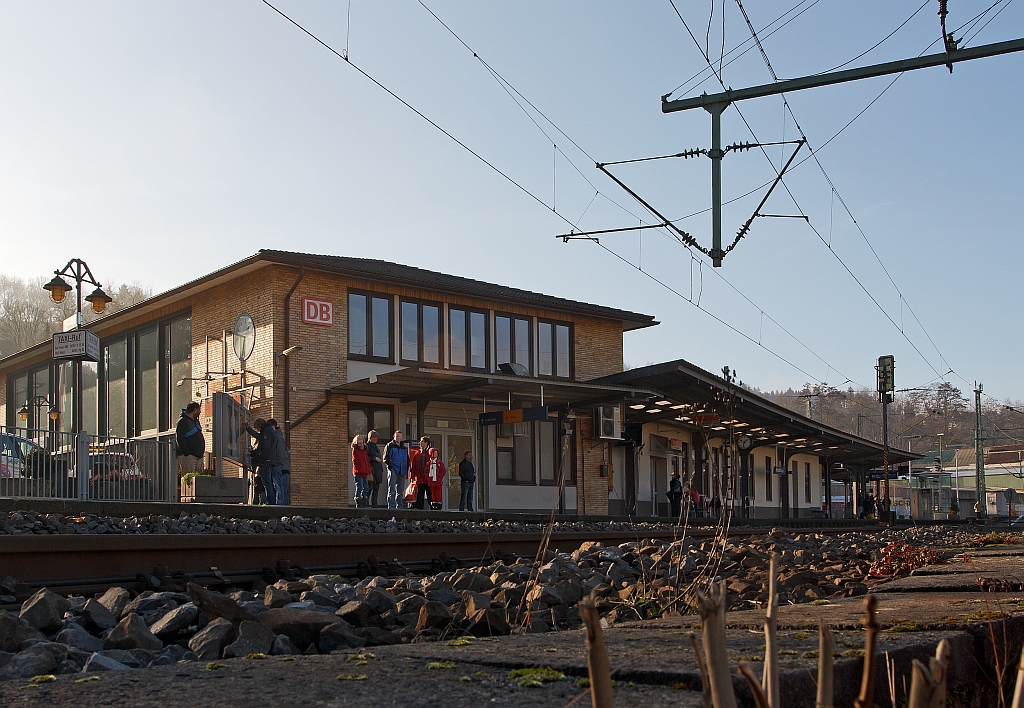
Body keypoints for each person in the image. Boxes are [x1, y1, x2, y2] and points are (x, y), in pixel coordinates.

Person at [246, 417, 278, 505]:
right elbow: (258, 436)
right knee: (268, 483)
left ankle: (270, 502)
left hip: (266, 461)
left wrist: (257, 456)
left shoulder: (266, 432)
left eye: (258, 428)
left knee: (267, 483)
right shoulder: (268, 431)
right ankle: (271, 502)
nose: (258, 430)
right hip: (270, 460)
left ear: (259, 425)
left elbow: (264, 447)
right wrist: (248, 429)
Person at [175, 402, 205, 478]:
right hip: (189, 456)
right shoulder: (183, 421)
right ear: (195, 410)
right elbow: (180, 439)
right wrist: (187, 453)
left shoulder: (195, 421)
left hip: (199, 456)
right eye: (199, 409)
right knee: (189, 478)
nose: (200, 411)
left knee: (199, 478)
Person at [383, 431, 409, 510]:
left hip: (402, 471)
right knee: (392, 490)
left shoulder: (403, 448)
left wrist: (406, 468)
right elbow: (386, 458)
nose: (398, 438)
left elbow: (407, 459)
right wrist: (390, 467)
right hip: (393, 470)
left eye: (400, 436)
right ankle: (391, 506)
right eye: (397, 436)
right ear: (394, 437)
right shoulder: (390, 446)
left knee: (400, 491)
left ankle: (399, 506)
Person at [409, 436, 433, 510]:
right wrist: (412, 477)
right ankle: (420, 511)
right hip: (419, 478)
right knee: (420, 495)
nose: (420, 443)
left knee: (430, 495)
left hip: (428, 478)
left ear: (426, 443)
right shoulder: (417, 453)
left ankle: (433, 510)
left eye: (422, 441)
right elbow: (414, 466)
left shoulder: (430, 453)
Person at [351, 434, 371, 506]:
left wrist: (368, 469)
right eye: (358, 440)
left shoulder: (365, 449)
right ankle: (358, 500)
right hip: (359, 472)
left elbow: (367, 460)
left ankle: (363, 500)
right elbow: (355, 461)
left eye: (361, 440)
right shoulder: (355, 450)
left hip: (364, 471)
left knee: (366, 487)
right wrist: (359, 469)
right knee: (359, 486)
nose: (360, 441)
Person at [366, 430, 384, 508]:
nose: (376, 439)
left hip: (378, 470)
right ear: (370, 438)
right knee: (369, 488)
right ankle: (366, 503)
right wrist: (374, 458)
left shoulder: (376, 447)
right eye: (374, 437)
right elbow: (366, 458)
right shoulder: (367, 446)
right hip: (371, 471)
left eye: (376, 438)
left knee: (376, 489)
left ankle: (374, 504)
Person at [425, 446, 447, 510]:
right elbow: (426, 471)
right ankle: (433, 505)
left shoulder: (439, 463)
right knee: (433, 494)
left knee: (438, 493)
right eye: (434, 453)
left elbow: (443, 471)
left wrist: (439, 477)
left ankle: (438, 506)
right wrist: (428, 478)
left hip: (438, 481)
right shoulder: (428, 464)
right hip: (431, 481)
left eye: (436, 453)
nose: (435, 455)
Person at [275, 421, 291, 506]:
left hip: (282, 470)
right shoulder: (286, 451)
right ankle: (286, 505)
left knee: (281, 489)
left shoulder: (281, 450)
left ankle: (282, 505)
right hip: (286, 471)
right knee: (283, 490)